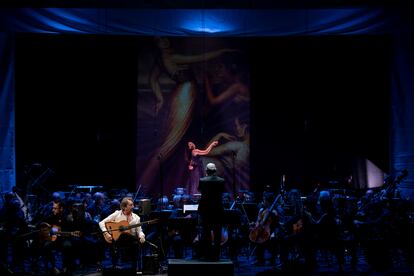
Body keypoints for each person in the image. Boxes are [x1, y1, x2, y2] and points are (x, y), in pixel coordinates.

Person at [138, 37, 236, 195]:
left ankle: (142, 190)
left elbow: (152, 79)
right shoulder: (170, 57)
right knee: (168, 145)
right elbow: (200, 57)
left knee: (170, 146)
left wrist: (160, 98)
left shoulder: (161, 61)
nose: (166, 42)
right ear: (157, 44)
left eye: (165, 40)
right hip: (185, 94)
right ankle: (142, 189)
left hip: (183, 94)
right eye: (161, 40)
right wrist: (222, 51)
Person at [99, 197, 145, 273]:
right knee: (123, 235)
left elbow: (139, 231)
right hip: (118, 240)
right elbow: (101, 223)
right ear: (124, 207)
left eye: (133, 205)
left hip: (132, 241)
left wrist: (142, 236)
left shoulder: (136, 218)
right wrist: (106, 233)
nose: (133, 207)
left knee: (133, 239)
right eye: (130, 205)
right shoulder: (117, 214)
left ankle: (134, 269)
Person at [197, 163, 225, 261]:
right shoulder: (221, 181)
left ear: (207, 171)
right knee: (217, 234)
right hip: (218, 210)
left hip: (206, 210)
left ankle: (208, 255)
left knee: (206, 233)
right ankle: (216, 255)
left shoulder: (202, 180)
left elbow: (200, 190)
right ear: (215, 170)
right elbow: (222, 192)